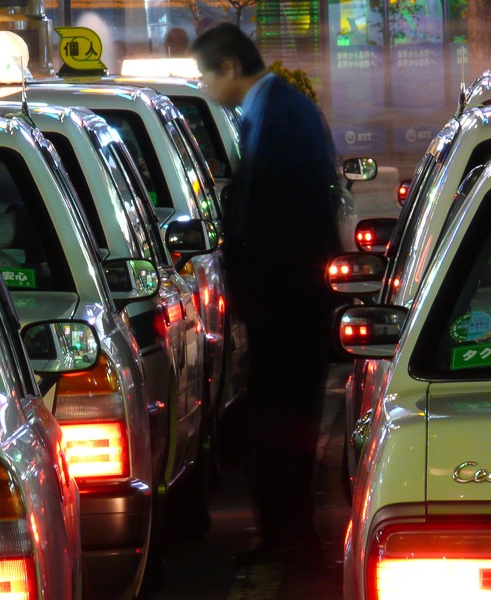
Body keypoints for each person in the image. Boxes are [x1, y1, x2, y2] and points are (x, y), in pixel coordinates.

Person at [190, 23, 341, 566]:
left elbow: (277, 221)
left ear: (229, 67)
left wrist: (253, 291)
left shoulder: (275, 116)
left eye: (206, 74)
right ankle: (287, 533)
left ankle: (290, 538)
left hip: (286, 306)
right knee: (280, 423)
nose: (206, 87)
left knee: (281, 425)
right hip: (289, 304)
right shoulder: (280, 109)